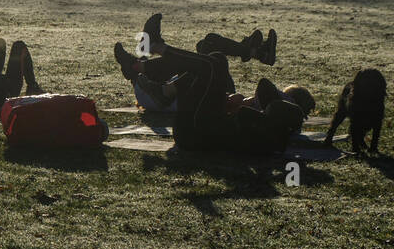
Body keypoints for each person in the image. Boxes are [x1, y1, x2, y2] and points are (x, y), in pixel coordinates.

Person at [114, 14, 303, 154]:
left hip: (195, 132)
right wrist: (236, 103)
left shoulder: (264, 133)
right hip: (199, 125)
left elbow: (239, 117)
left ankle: (149, 58)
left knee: (208, 66)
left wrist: (235, 103)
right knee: (215, 57)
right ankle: (146, 65)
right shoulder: (267, 131)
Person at [125, 15, 277, 112]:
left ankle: (153, 47)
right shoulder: (283, 103)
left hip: (210, 100)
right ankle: (255, 52)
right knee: (208, 45)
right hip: (222, 95)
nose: (252, 98)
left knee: (201, 64)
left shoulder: (144, 89)